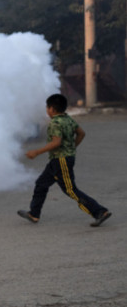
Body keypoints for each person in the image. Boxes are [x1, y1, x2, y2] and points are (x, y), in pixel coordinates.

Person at [17, 93, 111, 227]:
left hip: (61, 161)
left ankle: (100, 212)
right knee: (41, 184)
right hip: (58, 160)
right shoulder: (68, 119)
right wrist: (72, 148)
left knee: (71, 190)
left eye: (47, 107)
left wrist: (36, 152)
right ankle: (34, 214)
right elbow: (81, 133)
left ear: (52, 109)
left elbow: (56, 143)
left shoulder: (55, 123)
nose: (46, 110)